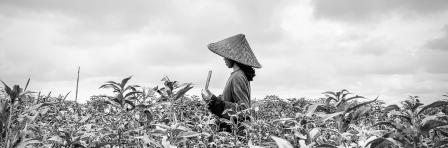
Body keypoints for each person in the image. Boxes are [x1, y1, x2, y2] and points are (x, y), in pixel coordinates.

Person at [201, 34, 262, 133]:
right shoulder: (238, 75)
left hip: (234, 132)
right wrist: (211, 99)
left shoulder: (237, 76)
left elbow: (243, 110)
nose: (224, 59)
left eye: (226, 56)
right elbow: (230, 102)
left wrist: (213, 101)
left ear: (232, 58)